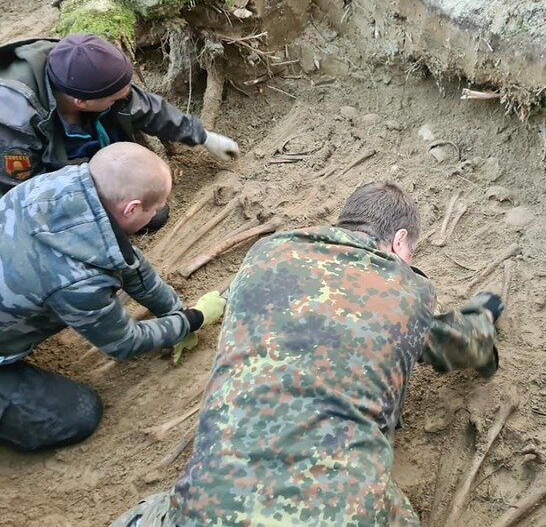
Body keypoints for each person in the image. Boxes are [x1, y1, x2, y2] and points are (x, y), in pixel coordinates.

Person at [112, 182, 503, 526]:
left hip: (214, 508)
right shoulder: (408, 287)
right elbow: (451, 343)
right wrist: (482, 319)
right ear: (400, 241)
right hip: (343, 514)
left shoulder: (267, 253)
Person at [0, 142, 226, 451]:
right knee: (79, 414)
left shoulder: (59, 183)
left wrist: (172, 307)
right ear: (131, 208)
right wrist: (192, 320)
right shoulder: (79, 282)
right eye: (153, 206)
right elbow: (125, 342)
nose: (160, 210)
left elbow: (124, 260)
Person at [0, 33, 240, 229]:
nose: (123, 99)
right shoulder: (14, 127)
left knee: (153, 214)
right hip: (40, 184)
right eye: (114, 98)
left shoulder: (82, 70)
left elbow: (145, 108)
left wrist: (203, 136)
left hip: (89, 160)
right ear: (80, 102)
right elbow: (25, 196)